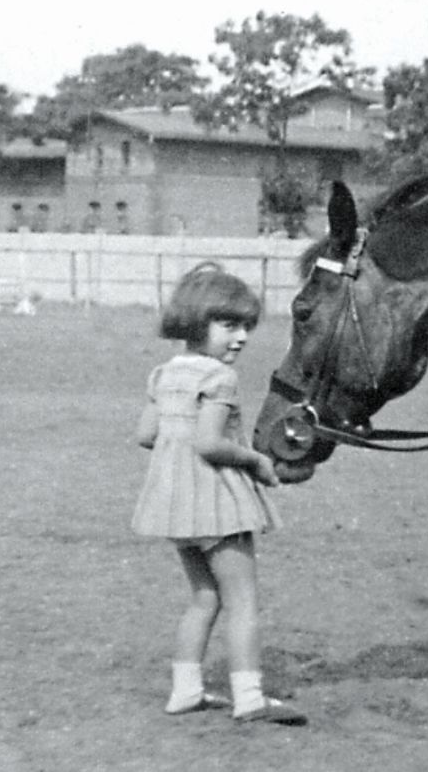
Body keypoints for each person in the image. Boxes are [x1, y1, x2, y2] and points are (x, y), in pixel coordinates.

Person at [130, 262, 306, 725]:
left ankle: (185, 691)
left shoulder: (163, 374)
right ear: (195, 321)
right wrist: (255, 460)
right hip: (216, 505)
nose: (241, 337)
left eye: (246, 326)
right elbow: (209, 443)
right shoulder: (219, 378)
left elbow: (147, 435)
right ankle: (249, 696)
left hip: (176, 507)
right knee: (243, 601)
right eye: (229, 325)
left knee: (204, 599)